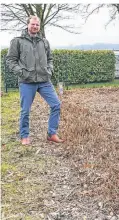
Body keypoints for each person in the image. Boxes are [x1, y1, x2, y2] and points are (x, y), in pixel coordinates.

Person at [6, 15, 64, 145]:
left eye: (37, 25)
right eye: (33, 24)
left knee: (56, 105)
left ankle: (52, 133)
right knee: (25, 110)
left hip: (44, 80)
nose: (35, 27)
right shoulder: (17, 41)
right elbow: (10, 60)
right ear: (28, 24)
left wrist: (49, 70)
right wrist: (22, 73)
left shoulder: (44, 41)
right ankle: (24, 135)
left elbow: (50, 59)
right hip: (27, 81)